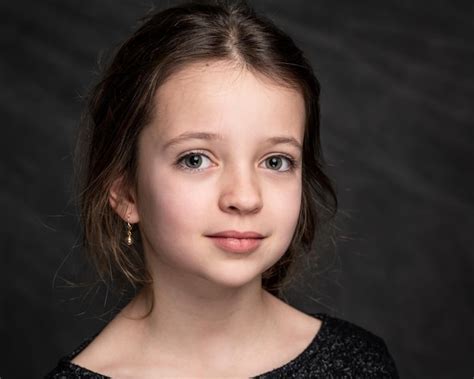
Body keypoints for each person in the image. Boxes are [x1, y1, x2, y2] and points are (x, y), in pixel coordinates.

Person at [45, 1, 399, 377]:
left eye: (275, 161)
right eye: (196, 159)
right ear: (125, 192)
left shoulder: (358, 365)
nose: (245, 198)